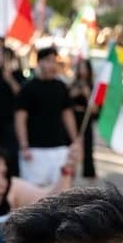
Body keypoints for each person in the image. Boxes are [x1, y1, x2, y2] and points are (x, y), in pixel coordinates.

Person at [14, 44, 79, 186]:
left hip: (59, 149)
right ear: (39, 62)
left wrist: (75, 141)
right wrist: (24, 146)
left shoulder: (61, 87)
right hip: (34, 150)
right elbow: (20, 118)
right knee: (34, 196)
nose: (53, 65)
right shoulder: (28, 88)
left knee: (61, 192)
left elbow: (67, 115)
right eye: (49, 61)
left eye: (55, 61)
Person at [0, 38, 24, 176]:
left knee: (11, 149)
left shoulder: (17, 74)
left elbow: (20, 93)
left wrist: (10, 80)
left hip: (12, 119)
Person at [68, 56, 98, 179]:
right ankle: (70, 171)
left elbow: (95, 109)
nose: (82, 71)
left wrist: (87, 94)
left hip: (86, 118)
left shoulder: (93, 86)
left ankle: (89, 173)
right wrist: (74, 93)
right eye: (80, 68)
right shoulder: (73, 84)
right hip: (74, 118)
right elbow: (66, 102)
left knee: (87, 146)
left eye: (84, 68)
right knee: (72, 144)